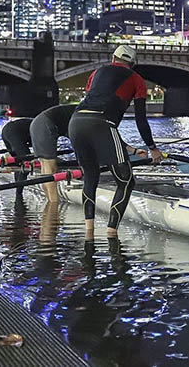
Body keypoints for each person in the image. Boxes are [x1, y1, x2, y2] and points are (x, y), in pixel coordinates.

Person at [68, 44, 162, 238]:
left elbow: (92, 99)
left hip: (75, 122)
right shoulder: (137, 79)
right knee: (126, 181)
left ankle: (89, 232)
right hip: (102, 123)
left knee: (90, 175)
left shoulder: (96, 72)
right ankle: (112, 233)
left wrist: (131, 150)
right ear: (133, 63)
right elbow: (141, 120)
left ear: (114, 58)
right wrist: (152, 148)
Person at [29, 104, 77, 203]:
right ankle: (54, 207)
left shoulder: (81, 112)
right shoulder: (90, 117)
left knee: (46, 168)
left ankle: (50, 204)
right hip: (45, 124)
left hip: (38, 123)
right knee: (50, 168)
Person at [0, 117, 33, 183]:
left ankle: (17, 186)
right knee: (27, 163)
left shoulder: (37, 122)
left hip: (5, 131)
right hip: (14, 132)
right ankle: (19, 192)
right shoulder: (43, 127)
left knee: (18, 163)